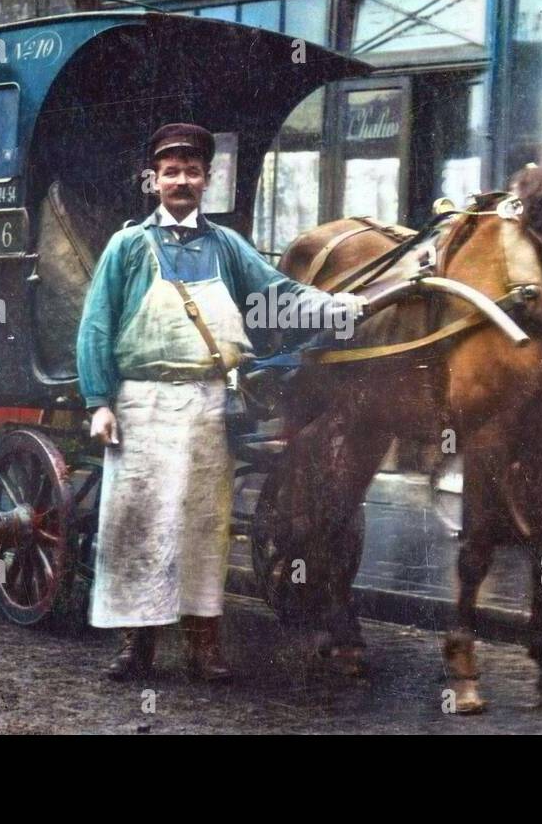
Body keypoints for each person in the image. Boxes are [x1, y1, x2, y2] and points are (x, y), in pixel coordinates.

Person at [77, 123, 366, 681]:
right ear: (153, 181)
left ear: (206, 180)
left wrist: (338, 308)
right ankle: (136, 646)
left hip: (212, 404)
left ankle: (203, 647)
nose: (181, 181)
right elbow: (97, 324)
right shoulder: (129, 246)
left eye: (191, 172)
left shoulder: (227, 247)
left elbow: (278, 294)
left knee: (204, 525)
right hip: (143, 404)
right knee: (141, 522)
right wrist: (99, 401)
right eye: (171, 172)